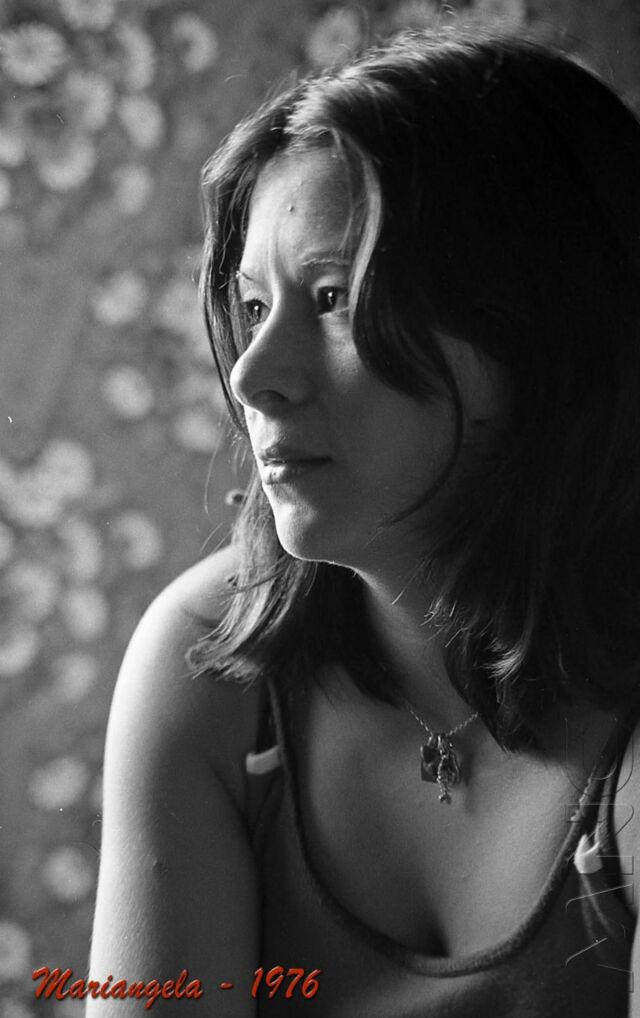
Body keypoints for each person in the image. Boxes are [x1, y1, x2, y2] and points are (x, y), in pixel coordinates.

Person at [88, 28, 640, 1017]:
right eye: (252, 306)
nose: (253, 374)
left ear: (541, 326)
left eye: (335, 298)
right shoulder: (212, 668)